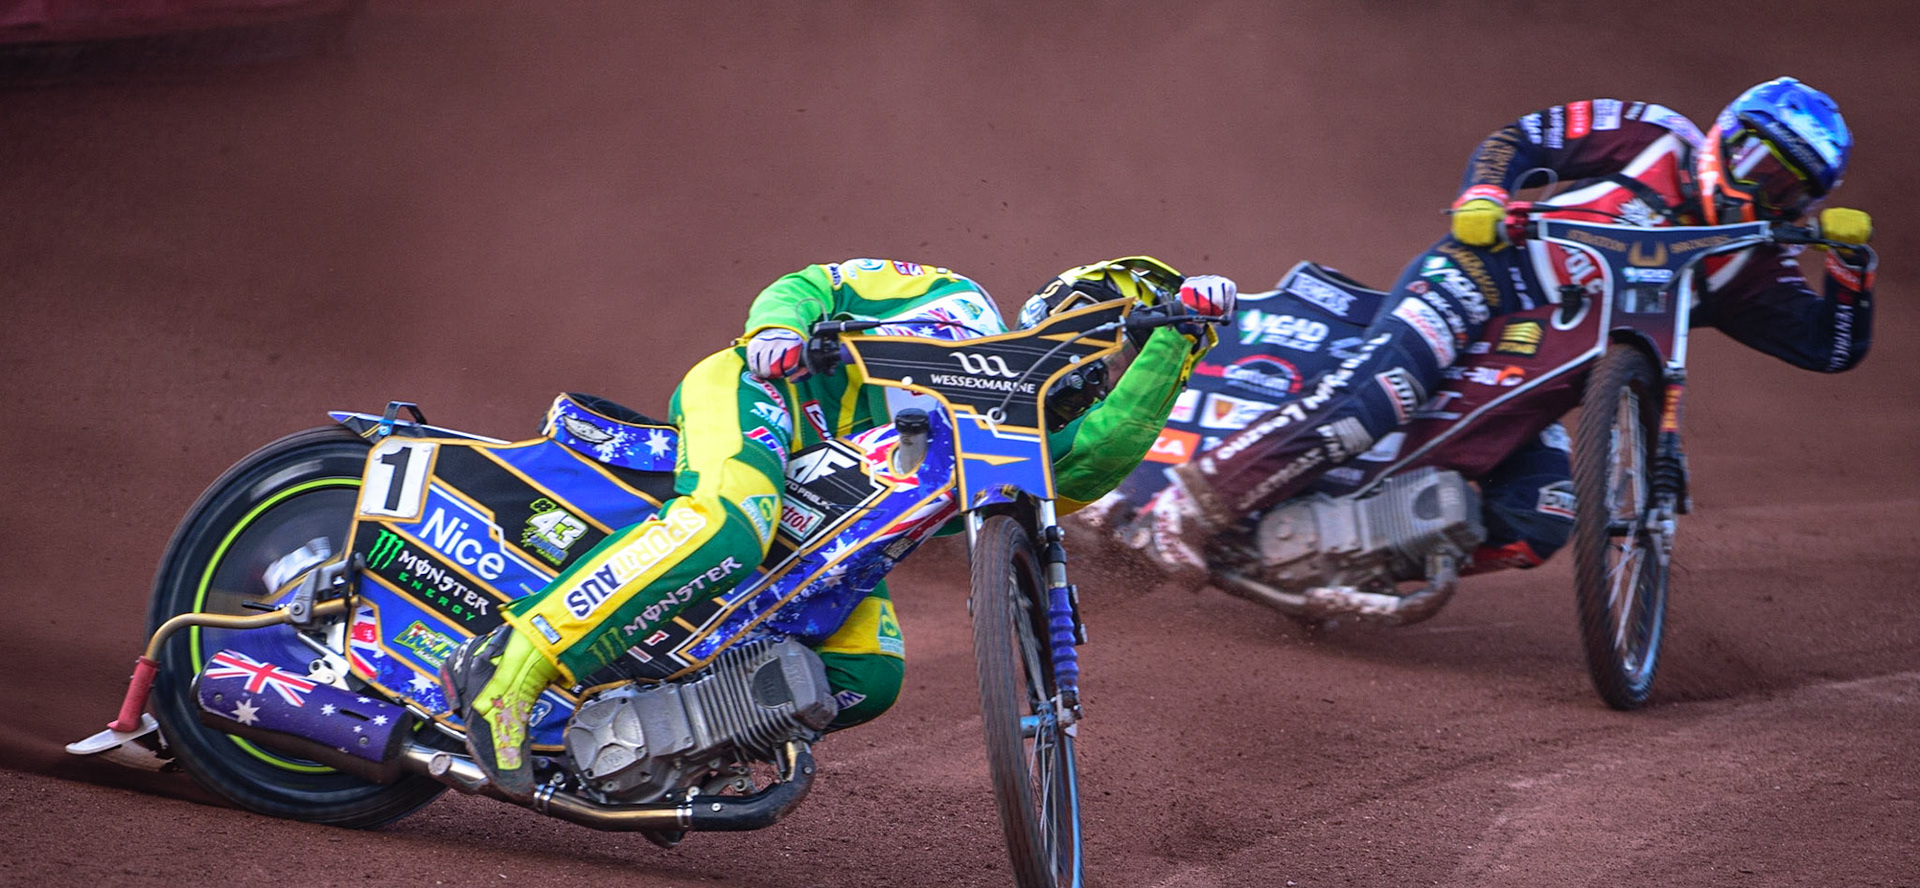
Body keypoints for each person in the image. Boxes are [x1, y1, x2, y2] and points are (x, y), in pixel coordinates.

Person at [442, 256, 1237, 797]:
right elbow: (811, 282)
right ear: (1059, 306)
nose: (1102, 363)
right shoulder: (952, 301)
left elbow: (1094, 461)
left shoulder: (1017, 448)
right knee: (728, 528)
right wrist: (776, 332)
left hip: (827, 533)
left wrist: (1177, 341)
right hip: (763, 408)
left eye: (1120, 355)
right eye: (1110, 330)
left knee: (869, 678)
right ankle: (508, 675)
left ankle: (648, 743)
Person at [1133, 77, 1877, 587]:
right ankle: (1192, 505)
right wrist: (1486, 193)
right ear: (1725, 133)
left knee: (1543, 514)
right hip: (1485, 276)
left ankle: (1324, 558)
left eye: (1785, 185)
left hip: (1549, 370)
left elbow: (1829, 346)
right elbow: (1523, 138)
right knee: (1379, 396)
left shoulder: (1753, 261)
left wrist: (1851, 268)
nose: (1758, 186)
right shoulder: (1652, 135)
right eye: (1754, 158)